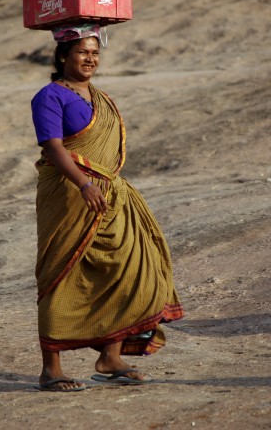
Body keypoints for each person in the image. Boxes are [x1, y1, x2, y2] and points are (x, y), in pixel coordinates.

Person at [31, 23, 184, 392]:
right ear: (64, 55)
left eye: (95, 53)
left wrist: (100, 185)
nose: (90, 59)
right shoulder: (49, 96)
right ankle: (51, 368)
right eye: (83, 52)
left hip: (109, 196)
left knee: (127, 267)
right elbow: (53, 147)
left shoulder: (100, 98)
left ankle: (110, 357)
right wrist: (84, 183)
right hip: (69, 195)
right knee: (61, 273)